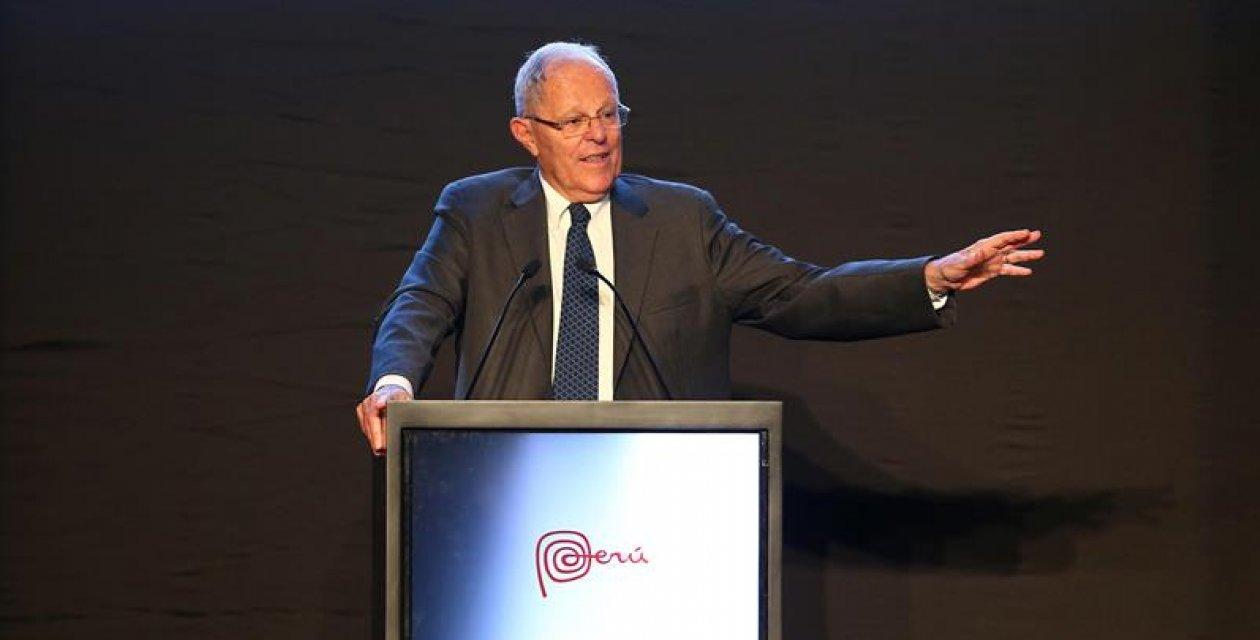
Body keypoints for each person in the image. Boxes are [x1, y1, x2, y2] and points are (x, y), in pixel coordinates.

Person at [356, 41, 1043, 455]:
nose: (599, 135)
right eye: (574, 121)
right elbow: (422, 302)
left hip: (656, 487)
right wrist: (395, 383)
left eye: (608, 114)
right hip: (503, 474)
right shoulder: (476, 210)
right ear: (525, 133)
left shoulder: (682, 220)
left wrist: (929, 276)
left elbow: (799, 294)